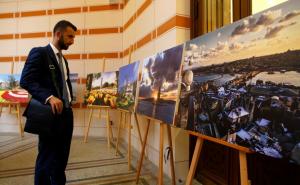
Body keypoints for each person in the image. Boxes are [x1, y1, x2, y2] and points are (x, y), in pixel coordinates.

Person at [20, 20, 77, 185]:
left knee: (61, 159)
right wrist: (49, 97)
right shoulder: (39, 53)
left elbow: (64, 85)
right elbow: (26, 80)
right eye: (70, 37)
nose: (72, 41)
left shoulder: (63, 60)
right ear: (58, 34)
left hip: (67, 114)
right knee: (46, 159)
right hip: (50, 116)